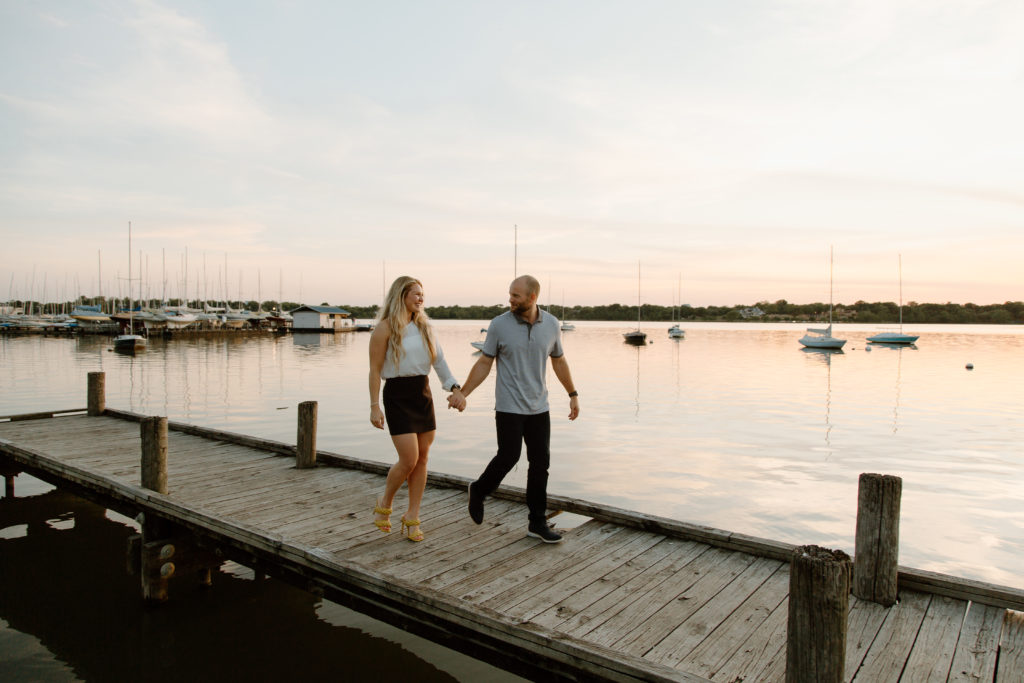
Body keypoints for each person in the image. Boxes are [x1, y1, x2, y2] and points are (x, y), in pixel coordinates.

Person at [451, 275, 579, 543]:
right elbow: (485, 363)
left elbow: (559, 362)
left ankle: (537, 523)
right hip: (509, 405)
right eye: (510, 294)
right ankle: (479, 489)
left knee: (540, 463)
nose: (510, 299)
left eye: (516, 296)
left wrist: (572, 394)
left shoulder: (552, 324)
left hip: (539, 406)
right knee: (509, 456)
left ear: (532, 297)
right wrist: (463, 392)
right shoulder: (499, 324)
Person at [369, 276, 466, 542]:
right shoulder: (385, 329)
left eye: (422, 294)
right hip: (397, 396)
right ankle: (385, 502)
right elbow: (375, 370)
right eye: (416, 294)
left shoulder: (425, 328)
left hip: (422, 394)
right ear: (401, 295)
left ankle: (412, 516)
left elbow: (440, 363)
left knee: (423, 458)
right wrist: (374, 406)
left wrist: (455, 388)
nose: (421, 299)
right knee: (409, 459)